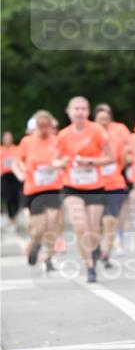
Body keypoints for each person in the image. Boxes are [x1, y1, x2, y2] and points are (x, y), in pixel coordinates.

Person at [55, 96, 113, 283]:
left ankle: (94, 248)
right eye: (76, 109)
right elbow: (55, 160)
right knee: (80, 225)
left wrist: (91, 162)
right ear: (69, 111)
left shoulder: (97, 131)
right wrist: (61, 162)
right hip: (72, 186)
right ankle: (89, 266)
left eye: (83, 108)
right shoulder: (63, 135)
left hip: (95, 186)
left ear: (88, 112)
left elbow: (110, 157)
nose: (79, 112)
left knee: (93, 229)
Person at [14, 111, 62, 270]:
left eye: (46, 125)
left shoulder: (57, 141)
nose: (43, 129)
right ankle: (35, 244)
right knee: (38, 228)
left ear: (51, 125)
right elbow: (18, 161)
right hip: (34, 189)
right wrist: (23, 171)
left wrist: (59, 164)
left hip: (53, 189)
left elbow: (66, 159)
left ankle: (49, 257)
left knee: (51, 225)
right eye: (40, 125)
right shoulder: (27, 142)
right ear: (35, 126)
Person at [94, 104, 131, 268]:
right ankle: (97, 247)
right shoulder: (90, 136)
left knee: (110, 220)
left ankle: (106, 253)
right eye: (100, 119)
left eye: (106, 119)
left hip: (115, 183)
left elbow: (123, 157)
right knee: (96, 223)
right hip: (94, 185)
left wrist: (119, 168)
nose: (104, 122)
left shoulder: (116, 136)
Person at [1, 131, 21, 228]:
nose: (7, 140)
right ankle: (10, 217)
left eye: (9, 138)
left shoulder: (16, 149)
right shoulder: (0, 150)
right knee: (7, 197)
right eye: (6, 138)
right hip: (5, 176)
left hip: (15, 175)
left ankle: (15, 213)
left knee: (16, 196)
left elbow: (20, 162)